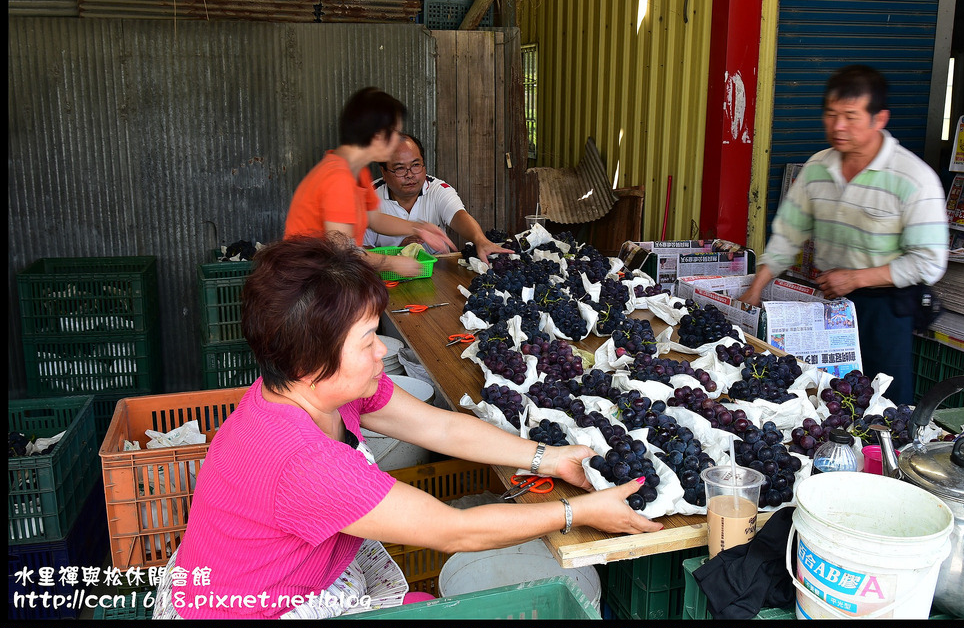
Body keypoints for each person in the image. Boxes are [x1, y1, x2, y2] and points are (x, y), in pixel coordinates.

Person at [152, 236, 661, 620]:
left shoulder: (318, 393)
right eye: (369, 338)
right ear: (309, 357)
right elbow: (453, 530)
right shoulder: (303, 462)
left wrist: (546, 458)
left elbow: (441, 428)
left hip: (302, 581)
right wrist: (579, 512)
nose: (382, 351)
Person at [738, 65, 948, 405]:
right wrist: (755, 289)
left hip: (886, 310)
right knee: (825, 399)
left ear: (879, 119)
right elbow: (787, 235)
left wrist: (857, 278)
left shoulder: (913, 178)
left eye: (851, 117)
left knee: (886, 405)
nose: (838, 127)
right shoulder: (817, 168)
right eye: (831, 115)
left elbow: (929, 263)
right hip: (827, 303)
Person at [284, 87, 455, 278]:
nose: (398, 141)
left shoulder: (357, 172)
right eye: (395, 133)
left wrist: (420, 228)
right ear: (378, 135)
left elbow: (374, 219)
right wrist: (393, 263)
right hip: (305, 287)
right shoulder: (338, 179)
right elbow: (343, 253)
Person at [363, 133, 512, 265]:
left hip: (438, 273)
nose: (410, 175)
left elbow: (459, 216)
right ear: (384, 171)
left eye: (416, 165)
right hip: (388, 277)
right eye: (400, 168)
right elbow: (360, 252)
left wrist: (480, 240)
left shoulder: (438, 189)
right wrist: (398, 251)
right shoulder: (369, 197)